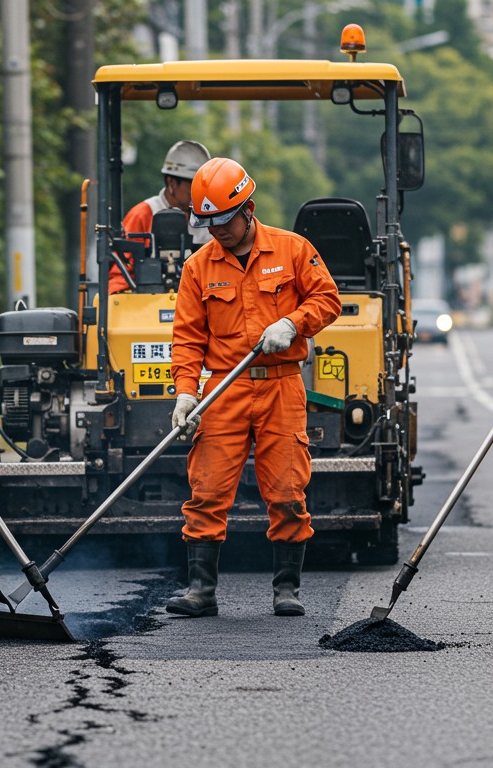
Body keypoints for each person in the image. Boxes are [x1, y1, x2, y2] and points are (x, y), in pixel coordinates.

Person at [166, 157, 342, 618]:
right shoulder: (198, 268)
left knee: (286, 491)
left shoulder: (293, 250)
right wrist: (187, 391)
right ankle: (201, 591)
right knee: (206, 490)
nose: (216, 231)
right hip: (223, 390)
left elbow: (328, 299)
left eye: (224, 221)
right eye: (208, 223)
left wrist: (293, 322)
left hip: (280, 388)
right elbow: (187, 338)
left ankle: (287, 589)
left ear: (249, 209)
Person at [107, 140, 213, 294]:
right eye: (193, 184)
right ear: (171, 182)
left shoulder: (212, 218)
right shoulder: (144, 214)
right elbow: (120, 275)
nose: (199, 192)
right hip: (149, 307)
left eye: (203, 185)